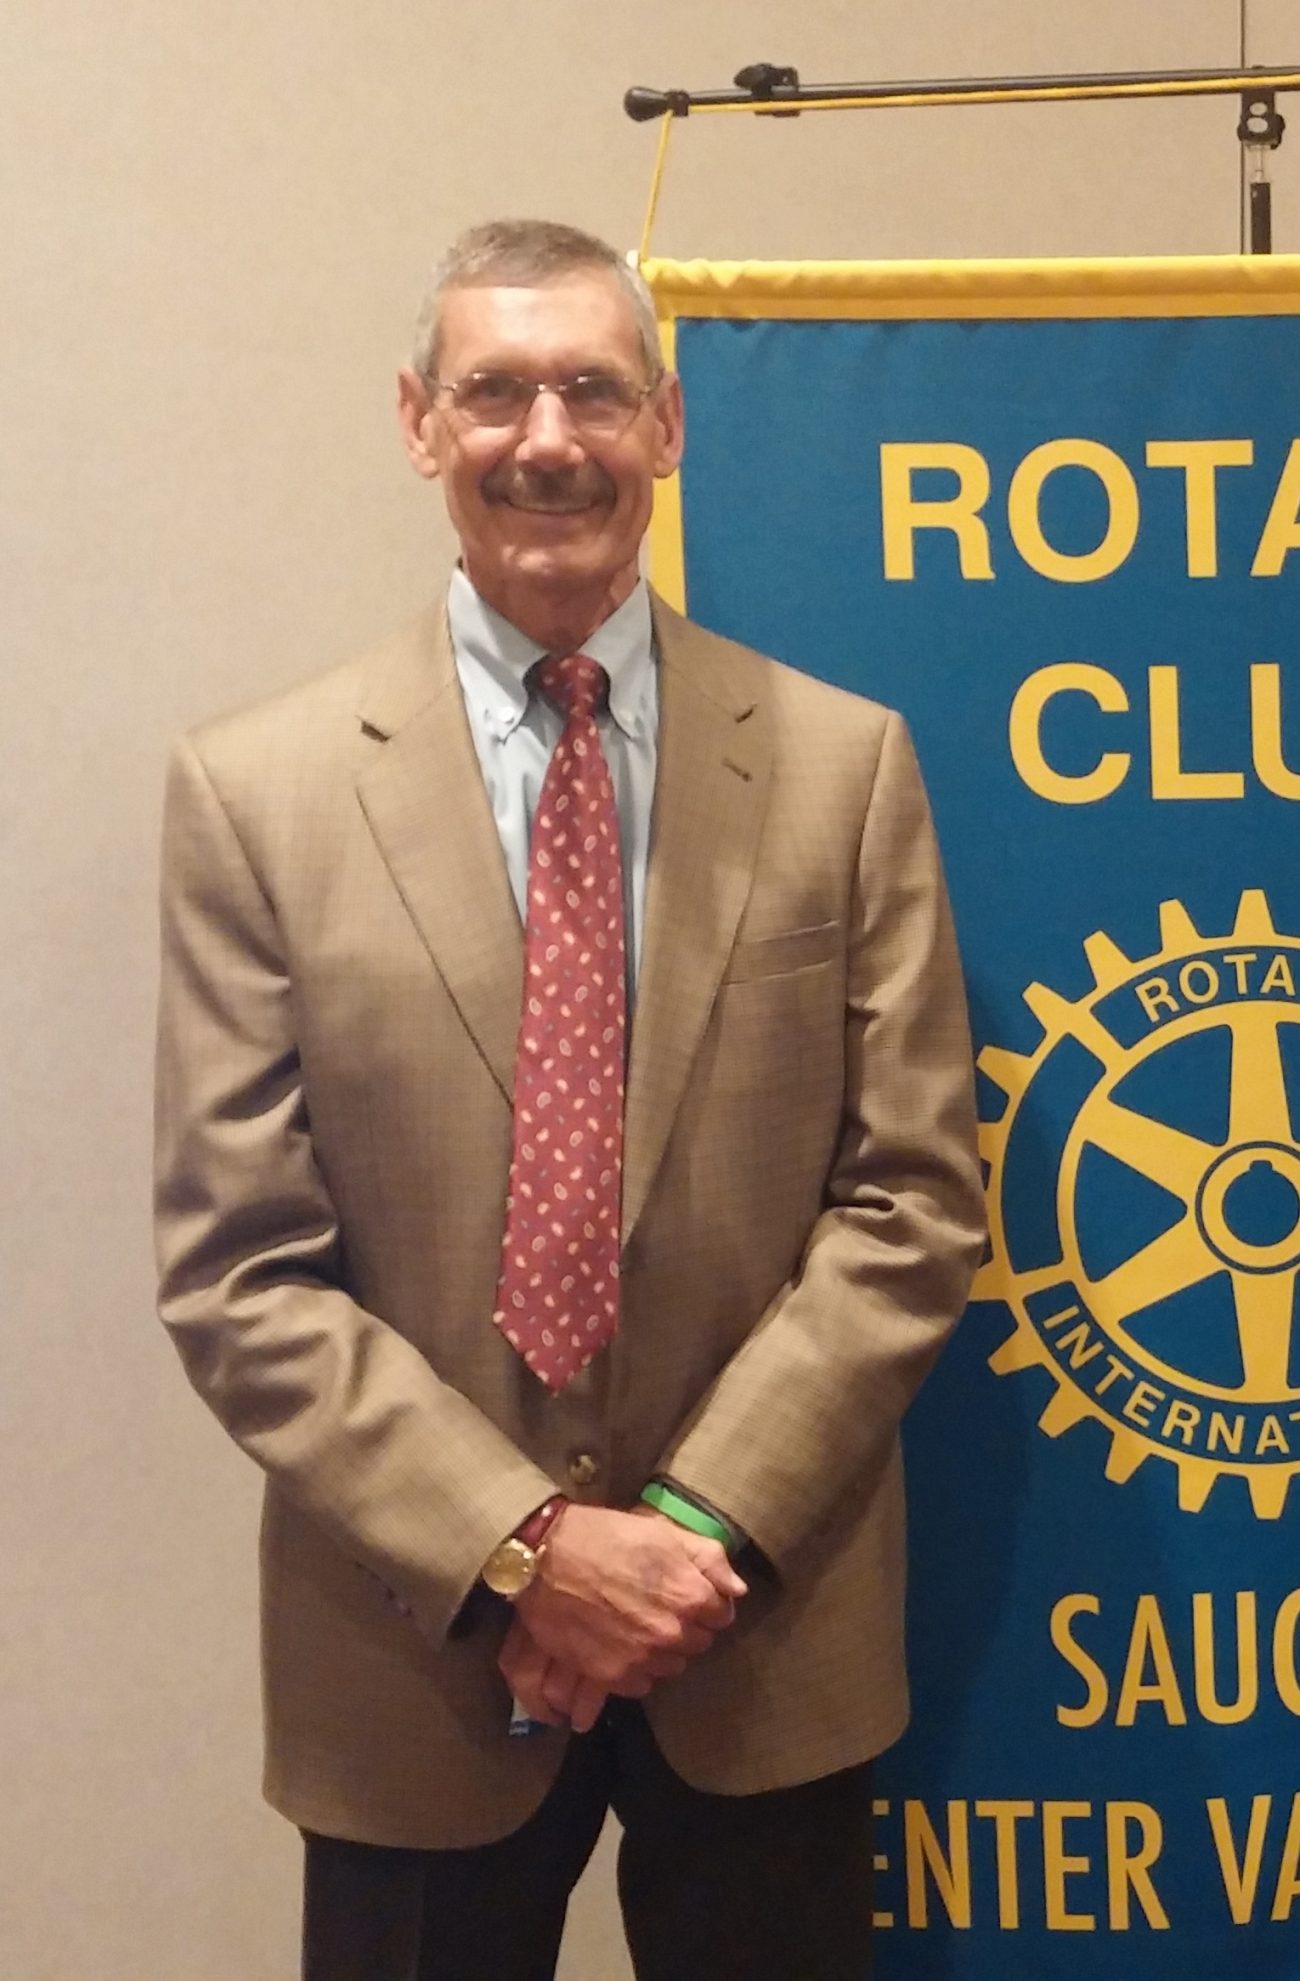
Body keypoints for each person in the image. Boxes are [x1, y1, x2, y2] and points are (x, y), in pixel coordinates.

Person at [153, 217, 985, 1980]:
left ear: (667, 426)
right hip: (411, 1653)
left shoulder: (845, 769)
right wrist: (526, 1547)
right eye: (496, 390)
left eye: (595, 389)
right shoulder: (257, 796)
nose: (549, 437)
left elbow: (913, 1202)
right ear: (418, 421)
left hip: (756, 1636)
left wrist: (677, 1542)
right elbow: (240, 1270)